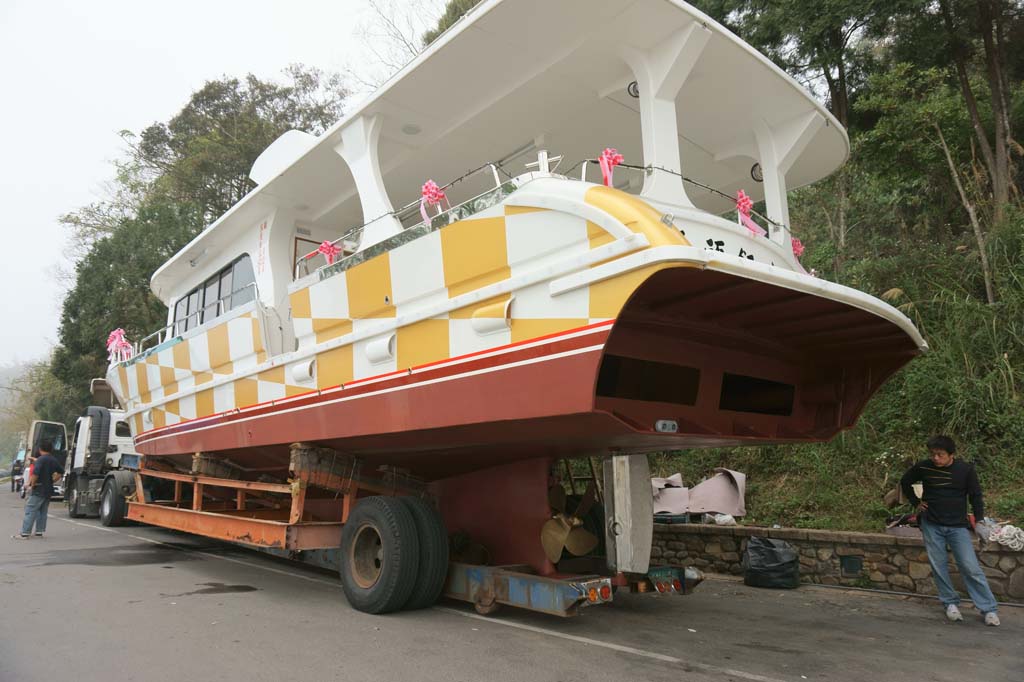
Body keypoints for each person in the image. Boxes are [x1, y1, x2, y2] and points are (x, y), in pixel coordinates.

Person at [900, 435, 999, 626]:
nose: (936, 458)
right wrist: (916, 503)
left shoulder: (965, 470)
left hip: (957, 526)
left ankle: (988, 609)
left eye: (940, 455)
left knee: (970, 567)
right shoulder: (924, 467)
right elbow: (905, 482)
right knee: (939, 565)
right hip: (932, 524)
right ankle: (950, 603)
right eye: (933, 454)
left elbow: (976, 496)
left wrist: (979, 521)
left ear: (951, 454)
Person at [12, 438, 63, 540]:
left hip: (38, 489)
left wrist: (32, 485)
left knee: (30, 510)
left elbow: (35, 474)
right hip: (48, 489)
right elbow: (61, 472)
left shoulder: (41, 460)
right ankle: (39, 532)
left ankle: (25, 533)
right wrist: (51, 480)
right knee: (42, 511)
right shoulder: (53, 460)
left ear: (40, 449)